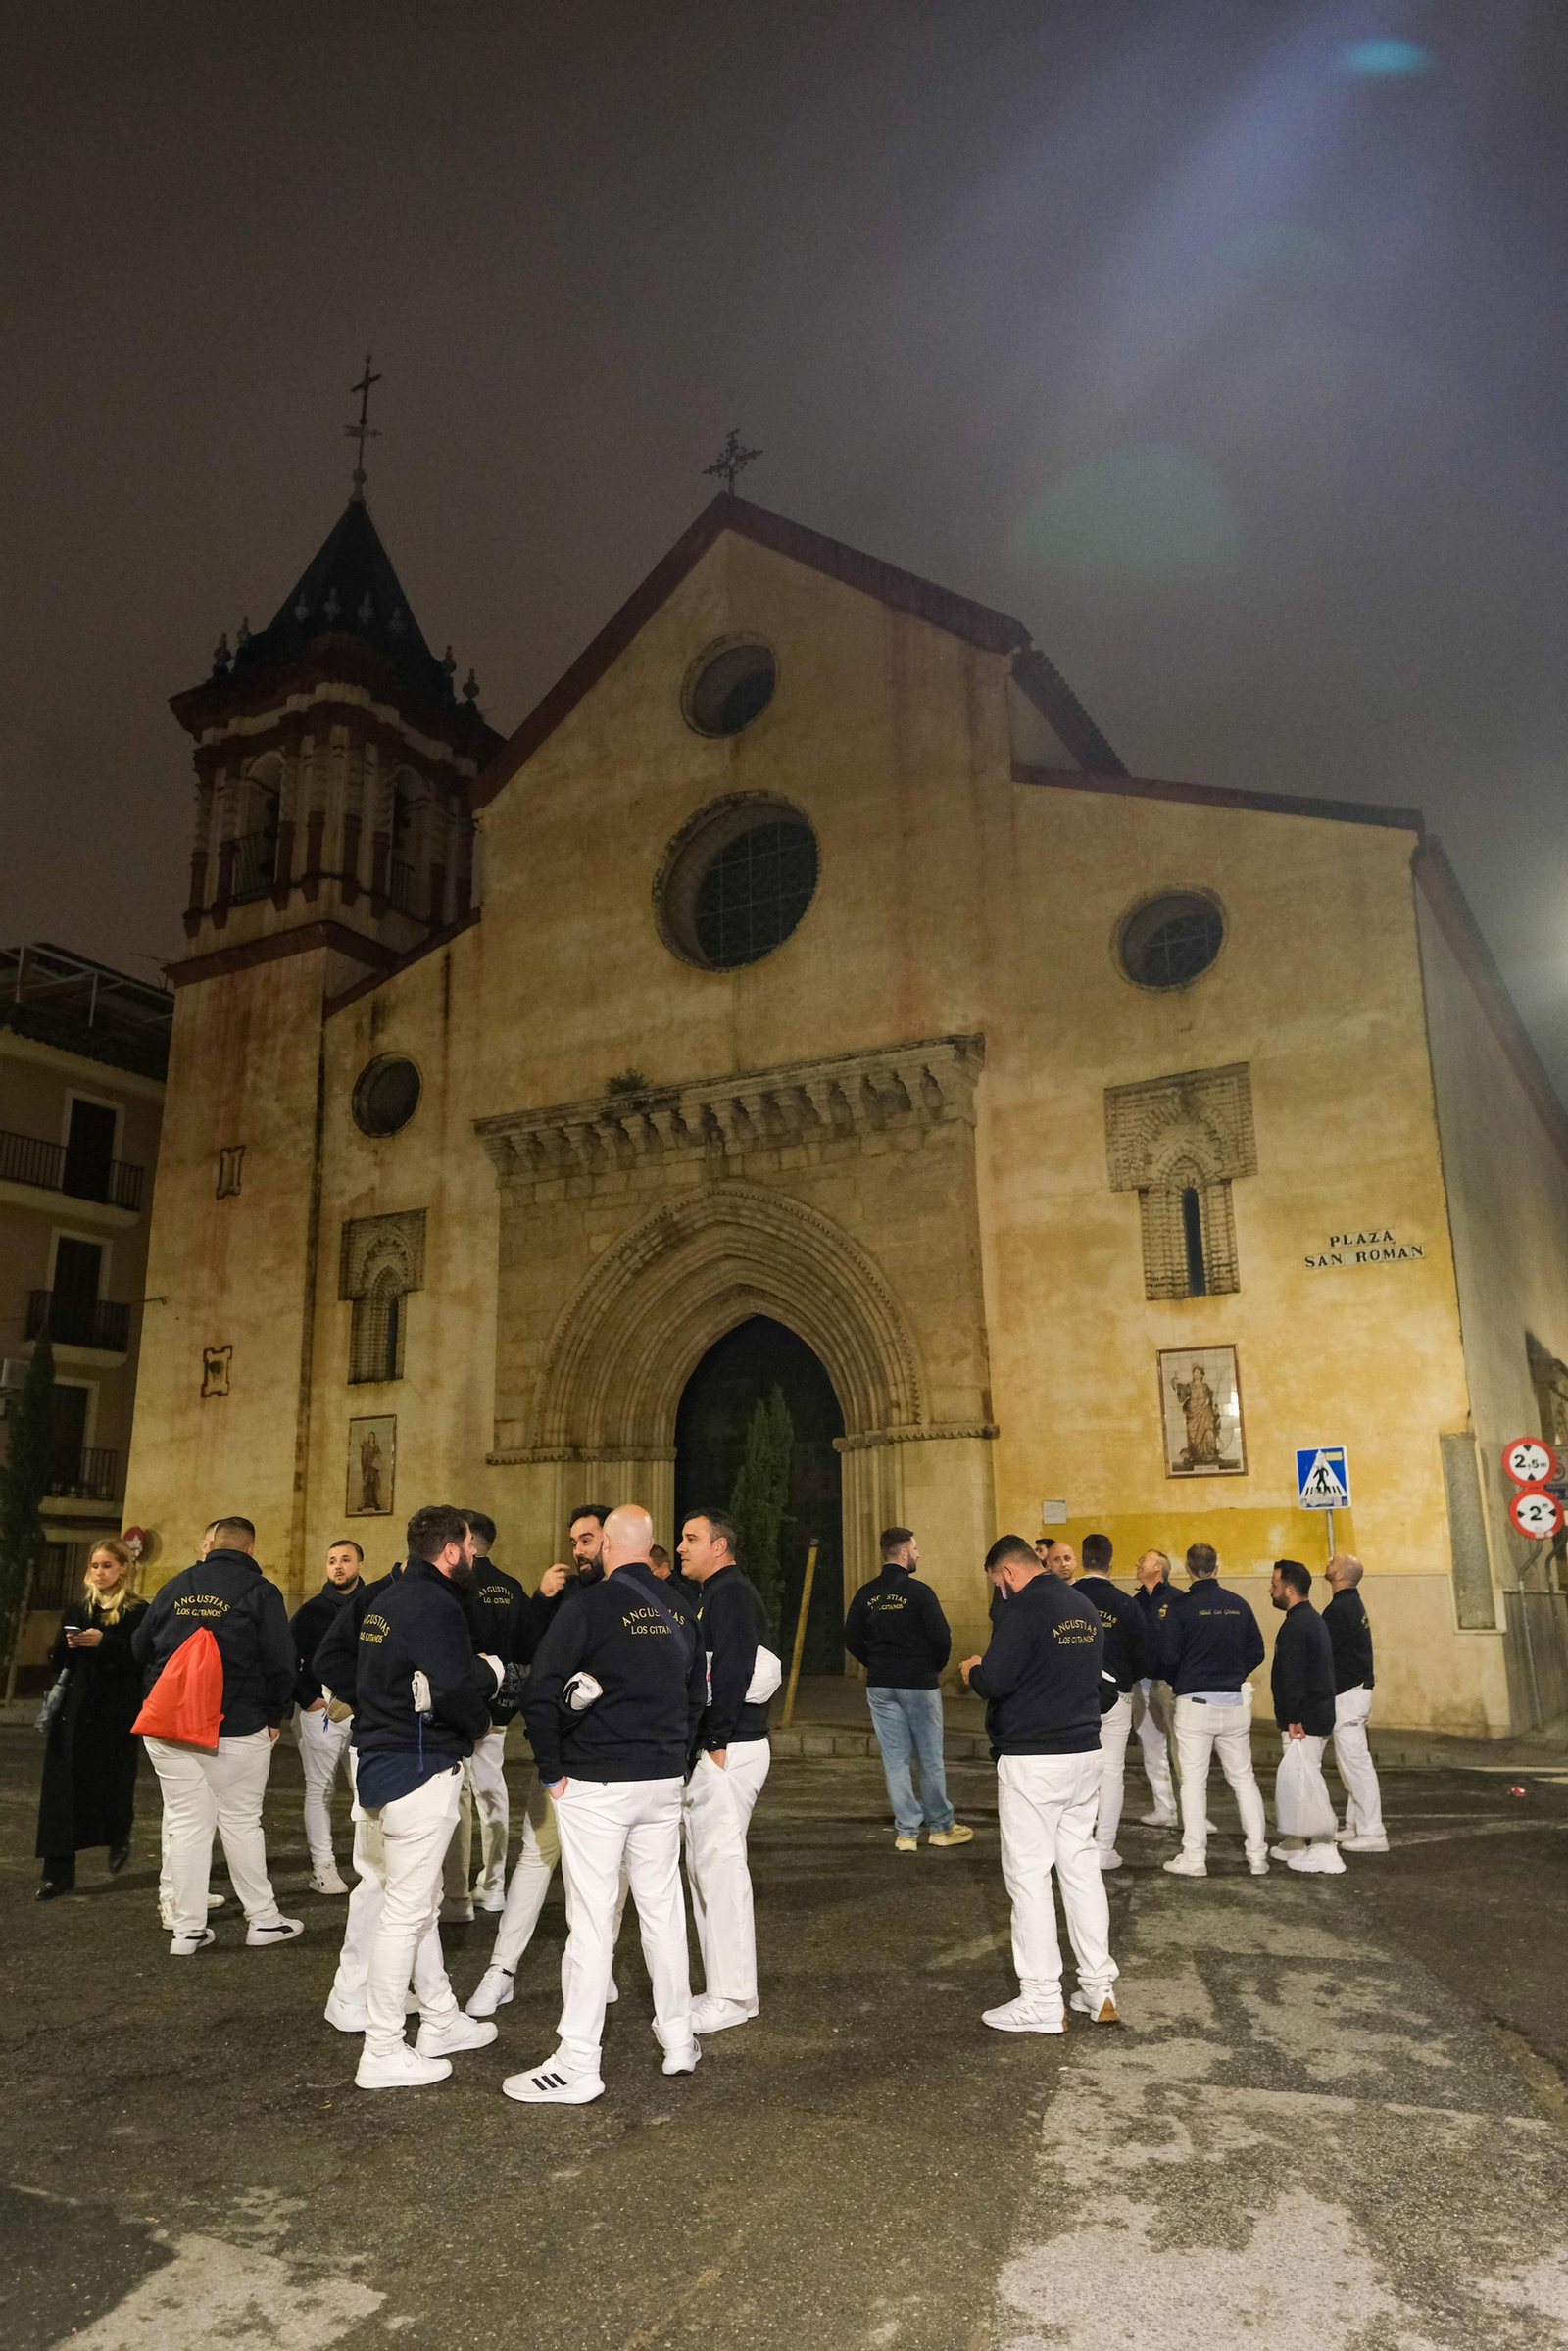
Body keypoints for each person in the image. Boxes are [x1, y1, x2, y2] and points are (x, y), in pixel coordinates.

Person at [510, 1503, 706, 2105]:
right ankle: (678, 2038)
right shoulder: (677, 1609)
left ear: (613, 1545)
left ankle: (578, 2061)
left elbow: (541, 1691)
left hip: (596, 1783)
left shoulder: (589, 1606)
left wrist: (551, 1770)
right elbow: (698, 1697)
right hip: (660, 1781)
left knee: (593, 1921)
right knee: (662, 1911)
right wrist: (678, 1760)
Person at [350, 1504, 503, 2090]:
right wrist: (478, 1721)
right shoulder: (436, 1604)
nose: (474, 1555)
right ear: (451, 1550)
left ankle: (439, 2018)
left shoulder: (387, 1597)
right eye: (469, 1545)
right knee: (406, 1913)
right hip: (418, 1766)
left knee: (421, 1901)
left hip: (385, 1761)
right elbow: (455, 1686)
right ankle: (383, 2048)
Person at [466, 1504, 627, 2021]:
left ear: (611, 1541)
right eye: (574, 1541)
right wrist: (539, 1599)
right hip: (563, 1757)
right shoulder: (568, 1597)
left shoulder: (634, 1600)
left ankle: (595, 1968)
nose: (578, 1550)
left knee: (611, 1872)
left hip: (620, 1761)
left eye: (587, 1540)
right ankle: (502, 1970)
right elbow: (526, 1655)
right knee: (537, 1858)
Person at [959, 1535, 1118, 2032]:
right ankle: (1098, 1988)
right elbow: (1102, 1684)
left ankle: (1042, 1999)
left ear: (1007, 1573)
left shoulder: (1023, 1611)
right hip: (1084, 1754)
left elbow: (998, 1680)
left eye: (997, 1582)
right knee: (1081, 1870)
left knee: (1028, 1879)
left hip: (1033, 1759)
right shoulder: (1083, 1605)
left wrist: (973, 1670)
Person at [132, 1516, 303, 1954]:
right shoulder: (260, 1592)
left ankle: (187, 1931)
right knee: (242, 1822)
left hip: (168, 1728)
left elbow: (139, 1646)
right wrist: (274, 1715)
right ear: (250, 1549)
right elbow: (282, 1661)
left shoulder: (175, 1585)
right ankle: (263, 1920)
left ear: (212, 1546)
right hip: (235, 1726)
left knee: (188, 1825)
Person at [678, 1508, 771, 2034]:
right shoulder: (711, 1593)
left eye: (693, 1538)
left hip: (729, 1749)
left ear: (720, 1545)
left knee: (722, 1870)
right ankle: (721, 1988)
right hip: (722, 1747)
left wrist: (715, 1739)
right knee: (707, 1870)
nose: (682, 1546)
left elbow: (734, 1667)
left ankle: (734, 1996)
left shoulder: (730, 1593)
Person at [843, 1527, 972, 1853]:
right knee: (929, 1758)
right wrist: (933, 1667)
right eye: (915, 1548)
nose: (918, 1554)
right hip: (918, 1683)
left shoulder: (866, 1593)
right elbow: (941, 1637)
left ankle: (906, 1833)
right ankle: (941, 1827)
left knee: (895, 1760)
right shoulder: (920, 1592)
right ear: (903, 1553)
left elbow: (851, 1636)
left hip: (881, 1684)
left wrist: (874, 1661)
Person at [35, 1538, 149, 1899]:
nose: (100, 1573)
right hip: (73, 1711)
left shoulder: (137, 1612)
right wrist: (65, 1647)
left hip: (114, 1713)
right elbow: (56, 1662)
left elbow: (141, 1657)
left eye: (107, 1566)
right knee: (60, 1790)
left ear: (123, 1569)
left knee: (111, 1781)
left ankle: (118, 1836)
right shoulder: (77, 1609)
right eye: (95, 1566)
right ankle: (57, 1873)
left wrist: (105, 1642)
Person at [1158, 1543, 1268, 1880]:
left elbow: (1168, 1658)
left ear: (1188, 1569)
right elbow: (1257, 1652)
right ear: (1217, 1567)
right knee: (1244, 1780)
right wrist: (1234, 1675)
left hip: (1194, 1705)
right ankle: (1258, 1856)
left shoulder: (1180, 1607)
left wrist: (1184, 1681)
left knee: (1193, 1781)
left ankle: (1195, 1857)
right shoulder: (1239, 1605)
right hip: (1234, 1702)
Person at [452, 1509, 525, 1914]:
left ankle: (457, 1889)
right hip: (502, 1704)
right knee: (493, 1792)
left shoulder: (458, 1587)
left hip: (466, 1703)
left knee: (460, 1796)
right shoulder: (512, 1587)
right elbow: (529, 1644)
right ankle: (493, 1883)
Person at [288, 1538, 364, 1895]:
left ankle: (370, 1864)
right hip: (321, 1712)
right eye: (332, 1559)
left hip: (364, 1712)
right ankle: (324, 1868)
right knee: (319, 1789)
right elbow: (289, 1658)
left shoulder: (374, 1604)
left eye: (346, 1559)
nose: (338, 1566)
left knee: (365, 1790)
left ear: (359, 1565)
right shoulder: (311, 1612)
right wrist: (307, 1697)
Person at [1066, 1534, 1147, 1871]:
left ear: (1084, 1560)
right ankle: (1104, 1848)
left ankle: (1072, 1844)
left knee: (1072, 1770)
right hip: (1117, 1696)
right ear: (1110, 1563)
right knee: (1112, 1772)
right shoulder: (1127, 1603)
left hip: (1071, 1695)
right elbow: (1144, 1654)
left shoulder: (1067, 1598)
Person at [1268, 1560, 1346, 1876]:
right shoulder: (1310, 1620)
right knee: (1301, 1781)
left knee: (1306, 1784)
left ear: (1289, 1589)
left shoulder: (1297, 1625)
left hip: (1305, 1721)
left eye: (1274, 1585)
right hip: (1313, 1715)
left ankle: (1324, 1847)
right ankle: (1296, 1840)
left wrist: (1294, 1717)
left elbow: (1295, 1676)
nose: (1270, 1590)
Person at [1322, 1553, 1387, 1852]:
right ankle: (1355, 1826)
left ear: (1341, 1575)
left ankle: (1373, 1833)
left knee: (1357, 1766)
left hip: (1347, 1695)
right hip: (1355, 1692)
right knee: (1351, 1765)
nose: (1329, 1560)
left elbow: (1323, 1653)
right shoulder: (1352, 1603)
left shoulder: (1341, 1609)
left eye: (1334, 1561)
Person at [1129, 1549, 1179, 1827]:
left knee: (1182, 1750)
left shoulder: (1176, 1600)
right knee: (1152, 1748)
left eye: (1143, 1559)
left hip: (1170, 1685)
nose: (1137, 1563)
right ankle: (1164, 1808)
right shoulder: (1135, 1602)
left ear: (1158, 1567)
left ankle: (1193, 1812)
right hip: (1143, 1684)